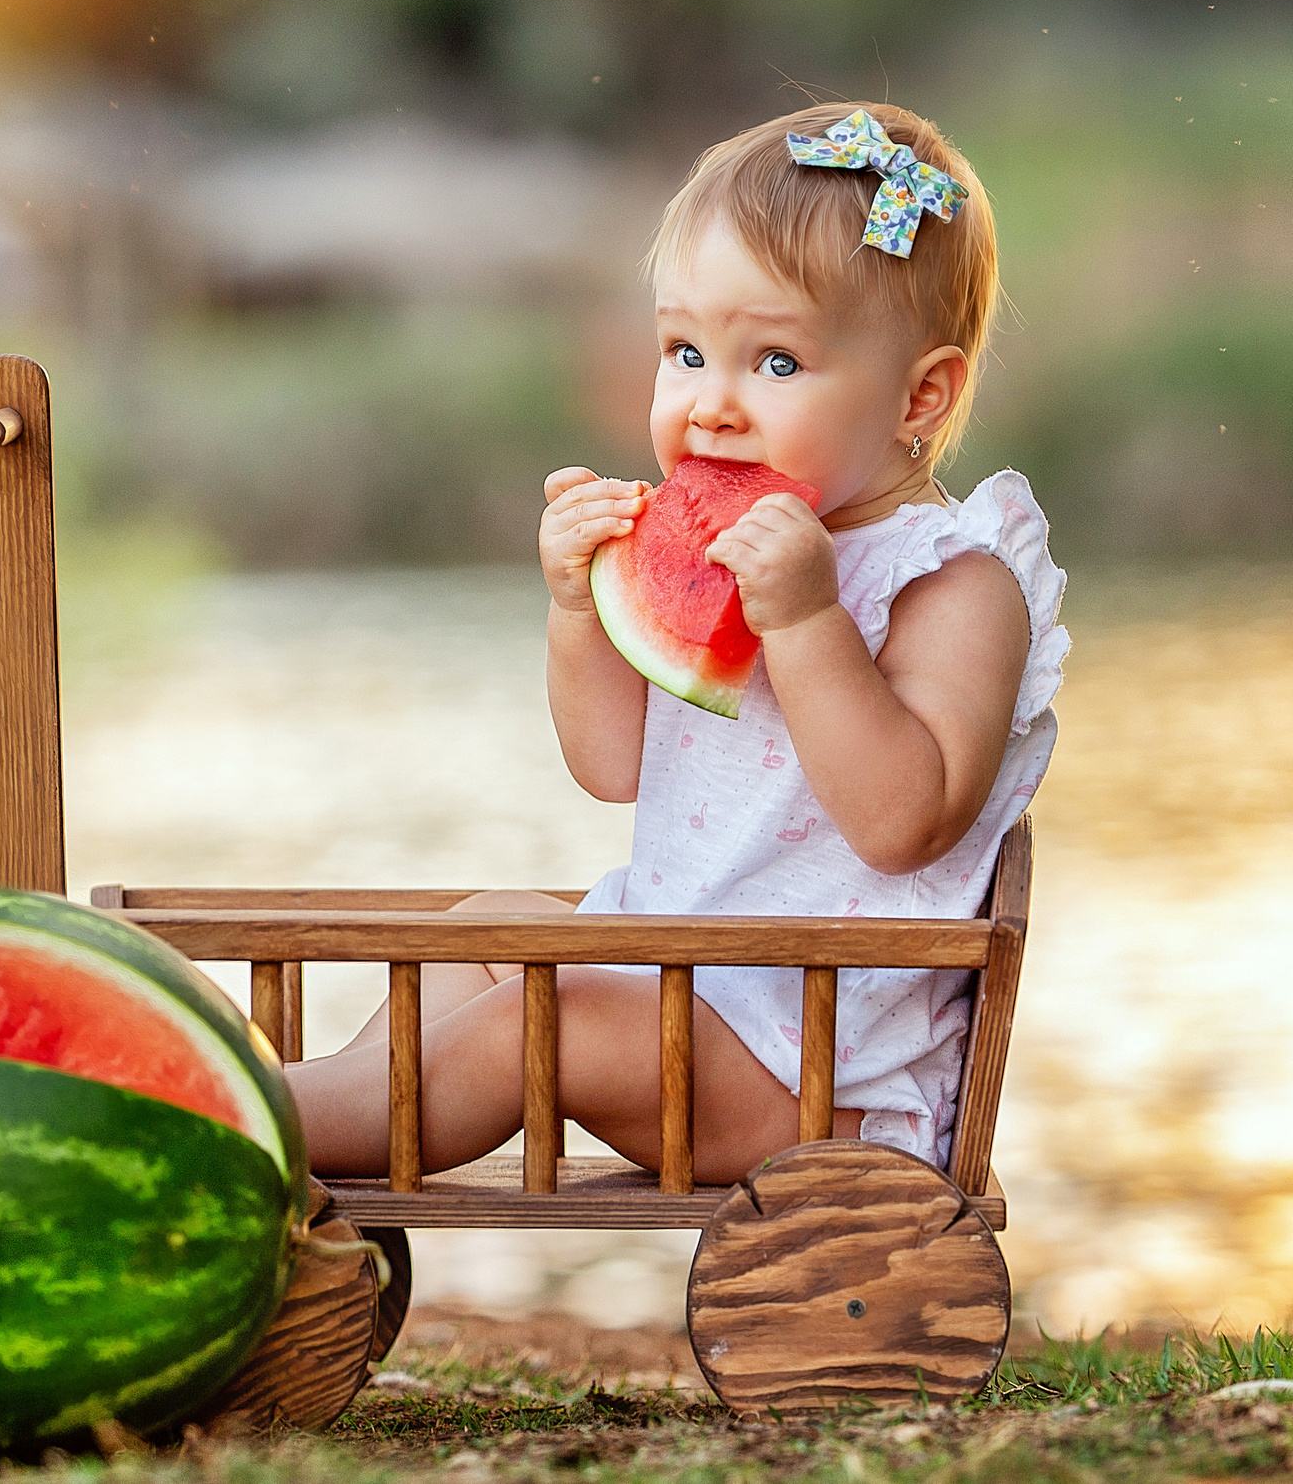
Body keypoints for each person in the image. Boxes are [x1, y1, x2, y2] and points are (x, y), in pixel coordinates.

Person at [285, 103, 1068, 1184]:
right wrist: (578, 612)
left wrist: (803, 621)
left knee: (541, 1022)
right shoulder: (724, 543)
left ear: (918, 395)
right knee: (476, 932)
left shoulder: (958, 582)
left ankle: (242, 1117)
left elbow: (899, 822)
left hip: (812, 1076)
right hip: (676, 986)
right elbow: (609, 770)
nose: (712, 406)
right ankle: (332, 1154)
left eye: (777, 363)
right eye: (686, 350)